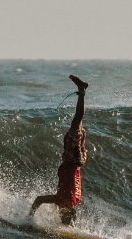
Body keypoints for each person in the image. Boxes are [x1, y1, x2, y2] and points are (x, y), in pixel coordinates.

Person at [30, 75, 89, 226]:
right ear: (66, 211)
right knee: (77, 121)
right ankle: (81, 91)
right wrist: (29, 218)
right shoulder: (62, 199)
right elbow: (39, 200)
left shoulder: (75, 200)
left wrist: (81, 155)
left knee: (78, 123)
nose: (58, 212)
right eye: (61, 214)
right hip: (73, 158)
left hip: (77, 160)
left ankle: (82, 91)